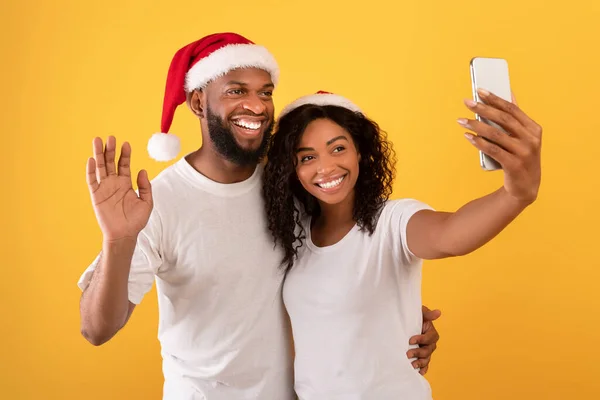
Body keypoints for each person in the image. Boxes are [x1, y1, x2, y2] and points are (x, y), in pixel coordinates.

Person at [77, 34, 441, 399]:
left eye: (265, 93)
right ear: (198, 101)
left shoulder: (291, 181)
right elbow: (96, 328)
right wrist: (118, 241)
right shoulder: (159, 203)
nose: (256, 106)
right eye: (236, 91)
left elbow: (348, 256)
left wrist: (399, 318)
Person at [262, 90, 542, 399]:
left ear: (360, 153)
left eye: (338, 148)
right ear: (293, 169)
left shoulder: (392, 221)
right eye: (308, 157)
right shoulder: (295, 234)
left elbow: (450, 234)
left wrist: (516, 195)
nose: (325, 167)